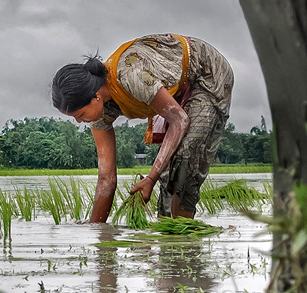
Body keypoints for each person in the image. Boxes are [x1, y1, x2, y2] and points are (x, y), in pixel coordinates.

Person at [51, 34, 234, 221]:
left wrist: (150, 178)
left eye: (79, 115)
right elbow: (106, 180)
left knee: (186, 158)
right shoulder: (99, 116)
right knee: (168, 170)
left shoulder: (130, 76)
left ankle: (182, 238)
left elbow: (179, 120)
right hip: (176, 85)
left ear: (95, 95)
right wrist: (98, 232)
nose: (80, 122)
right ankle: (168, 232)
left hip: (207, 72)